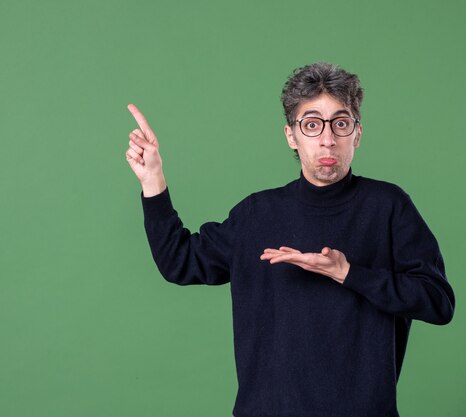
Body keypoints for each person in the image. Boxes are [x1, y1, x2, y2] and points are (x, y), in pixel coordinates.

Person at [124, 62, 455, 417]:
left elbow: (438, 303)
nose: (327, 138)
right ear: (291, 135)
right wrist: (153, 180)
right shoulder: (257, 214)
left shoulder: (388, 206)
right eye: (312, 124)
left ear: (357, 134)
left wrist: (348, 273)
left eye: (340, 124)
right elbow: (180, 261)